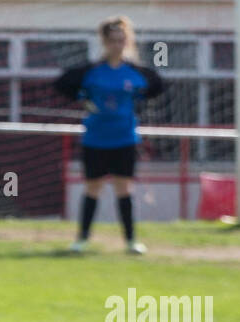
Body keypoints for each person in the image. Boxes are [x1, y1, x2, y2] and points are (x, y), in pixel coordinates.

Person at [54, 15, 163, 254]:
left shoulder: (136, 72)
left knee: (123, 189)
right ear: (104, 41)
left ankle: (131, 241)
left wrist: (139, 99)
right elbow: (62, 84)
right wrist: (83, 99)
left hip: (124, 139)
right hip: (95, 139)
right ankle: (82, 239)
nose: (117, 44)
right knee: (93, 188)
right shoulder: (92, 71)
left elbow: (157, 86)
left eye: (122, 39)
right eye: (113, 40)